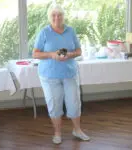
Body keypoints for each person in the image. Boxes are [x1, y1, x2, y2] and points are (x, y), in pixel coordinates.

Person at [32, 4, 90, 144]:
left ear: (64, 16)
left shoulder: (70, 31)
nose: (57, 17)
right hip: (49, 75)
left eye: (60, 15)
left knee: (74, 103)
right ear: (49, 17)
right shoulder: (44, 32)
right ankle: (57, 133)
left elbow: (78, 51)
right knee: (55, 104)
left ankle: (77, 130)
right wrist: (52, 55)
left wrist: (69, 54)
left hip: (69, 73)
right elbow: (35, 54)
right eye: (53, 15)